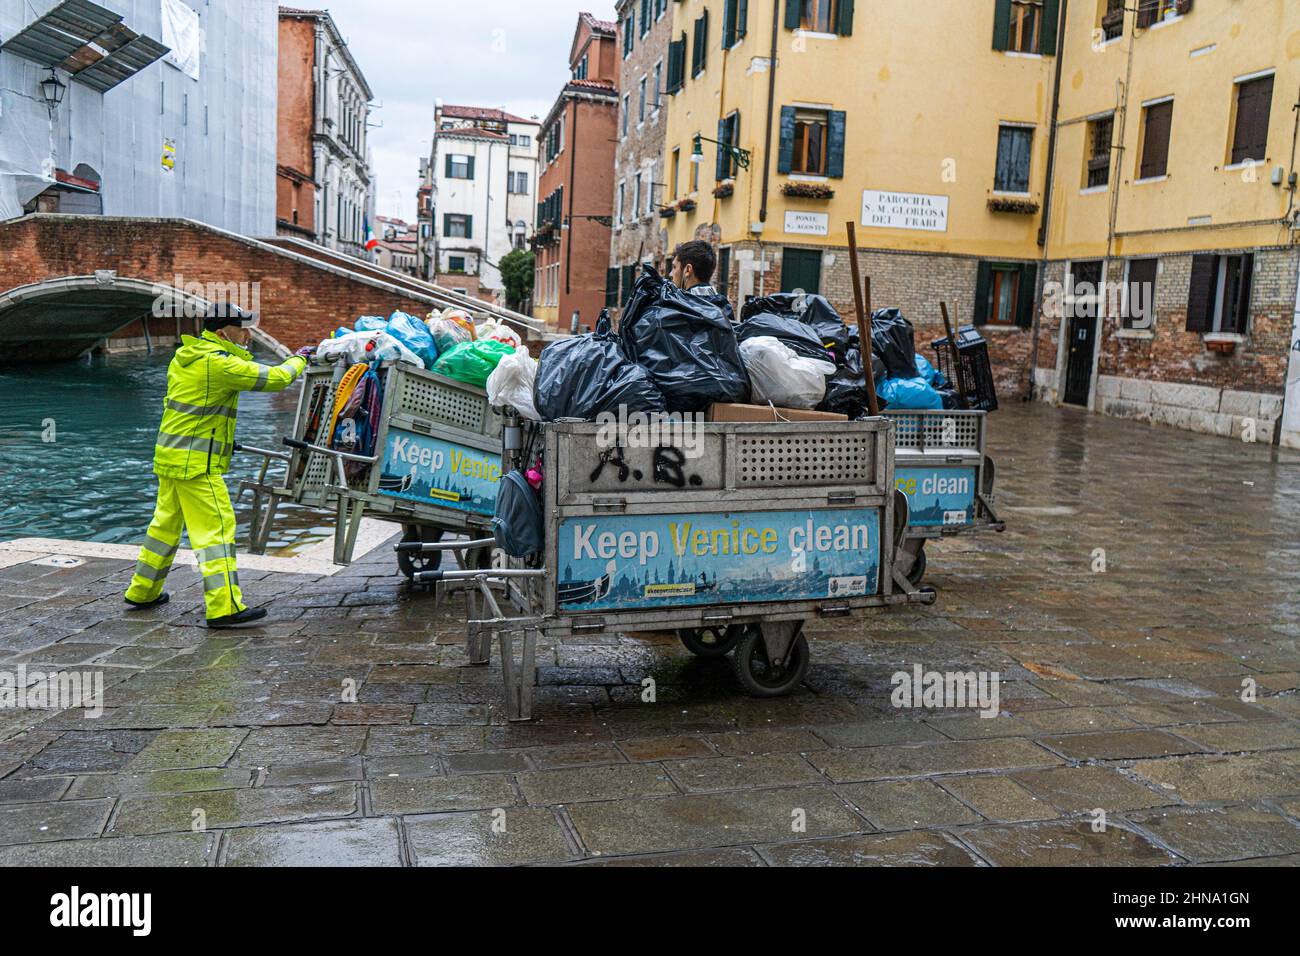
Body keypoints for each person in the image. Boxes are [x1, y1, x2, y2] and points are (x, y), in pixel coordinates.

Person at [123, 304, 315, 628]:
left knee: (164, 528)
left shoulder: (186, 357)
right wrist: (301, 358)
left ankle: (143, 592)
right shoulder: (218, 364)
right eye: (243, 330)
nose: (249, 335)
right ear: (223, 333)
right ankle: (224, 607)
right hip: (196, 464)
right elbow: (277, 378)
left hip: (170, 457)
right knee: (217, 531)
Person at [669, 240, 735, 322]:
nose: (670, 274)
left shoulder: (677, 310)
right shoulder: (724, 307)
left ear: (688, 270)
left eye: (674, 267)